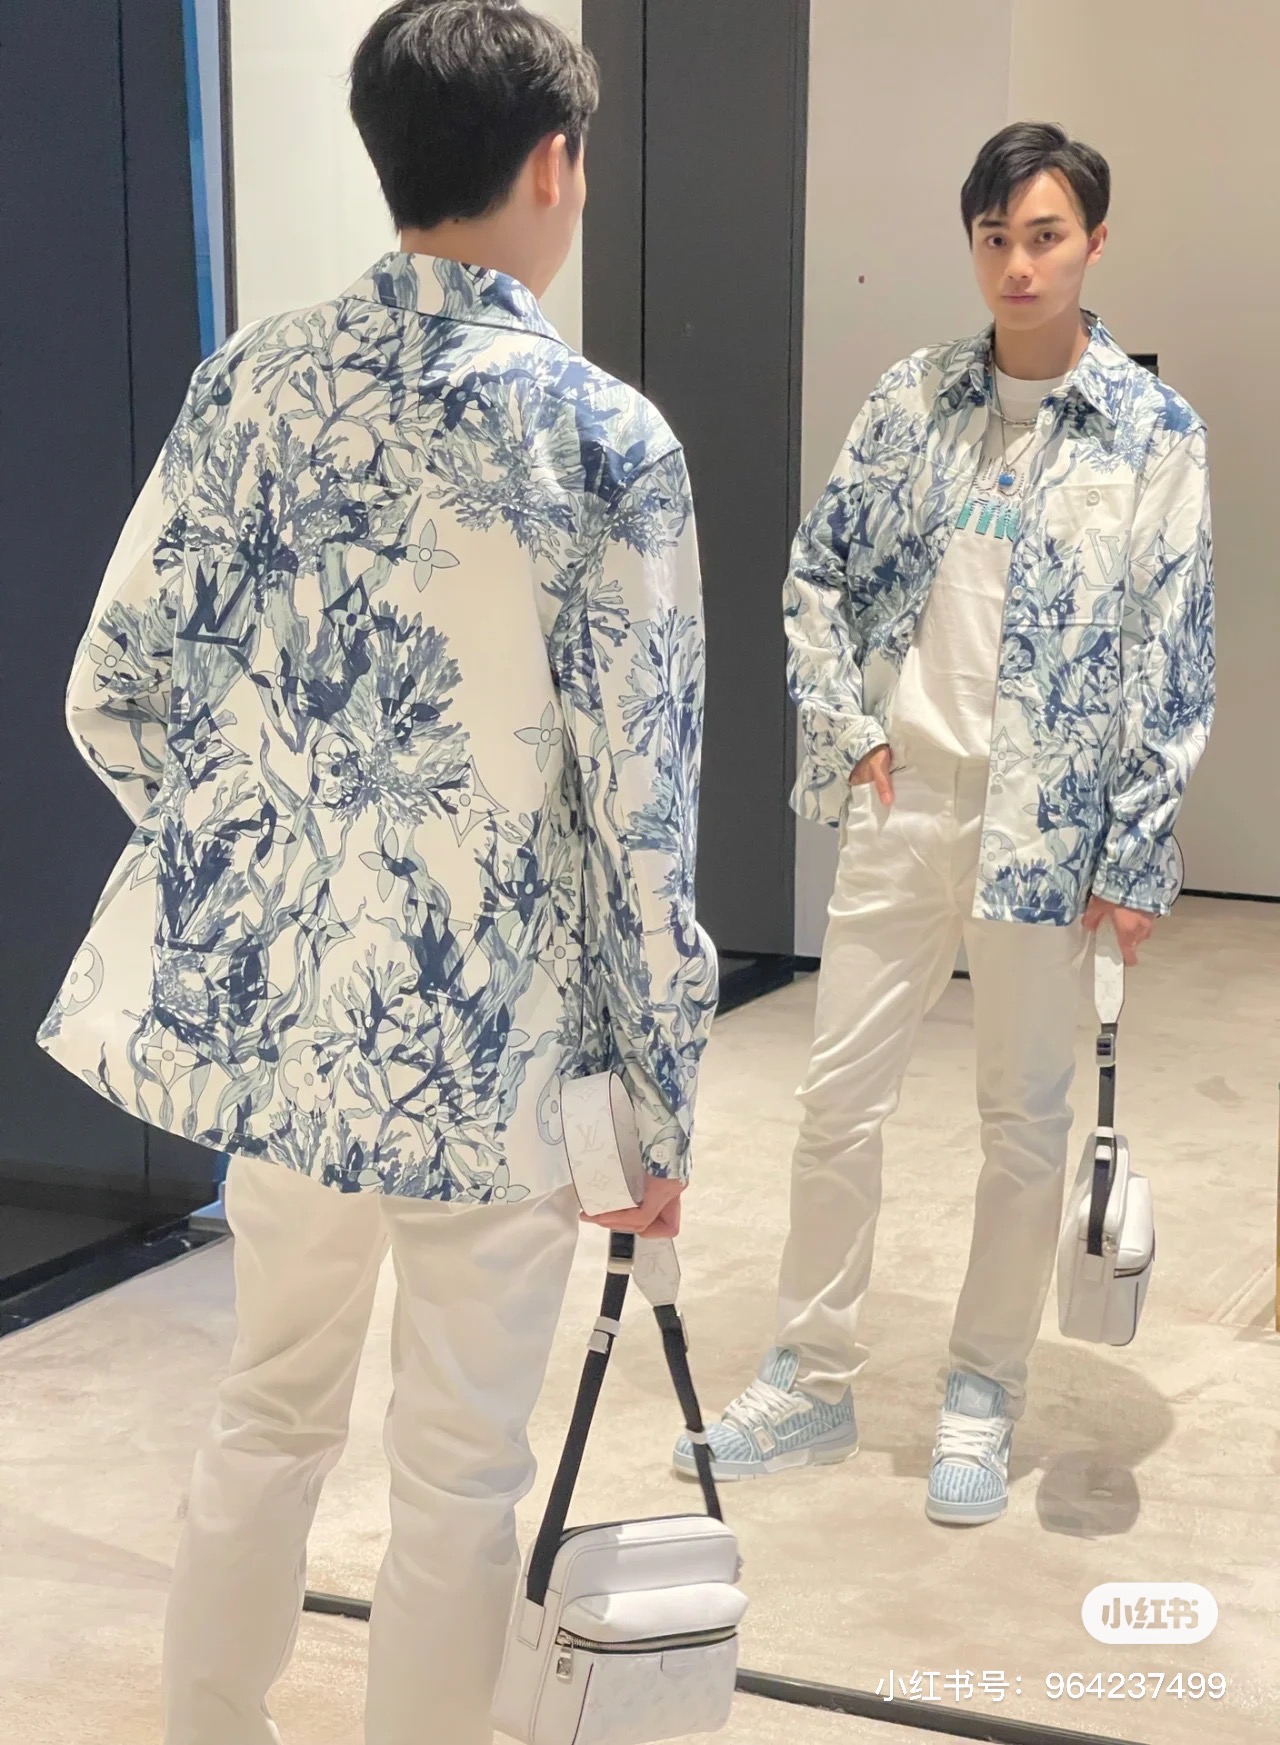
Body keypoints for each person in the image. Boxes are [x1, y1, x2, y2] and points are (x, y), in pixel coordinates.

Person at [38, 3, 716, 1739]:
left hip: (292, 1047)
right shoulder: (604, 440)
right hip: (501, 1061)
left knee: (266, 1411)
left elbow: (113, 688)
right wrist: (656, 1101)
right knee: (461, 1472)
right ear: (554, 163)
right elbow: (639, 816)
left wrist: (268, 873)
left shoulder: (250, 385)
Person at [674, 122, 1213, 1526]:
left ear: (1094, 241)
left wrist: (1137, 850)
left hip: (1048, 830)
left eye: (1044, 235)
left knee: (1023, 1124)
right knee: (836, 1098)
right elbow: (817, 575)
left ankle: (983, 1387)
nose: (1017, 264)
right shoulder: (912, 400)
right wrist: (848, 732)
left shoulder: (1155, 436)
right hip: (905, 798)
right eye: (994, 237)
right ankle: (810, 1373)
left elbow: (1174, 653)